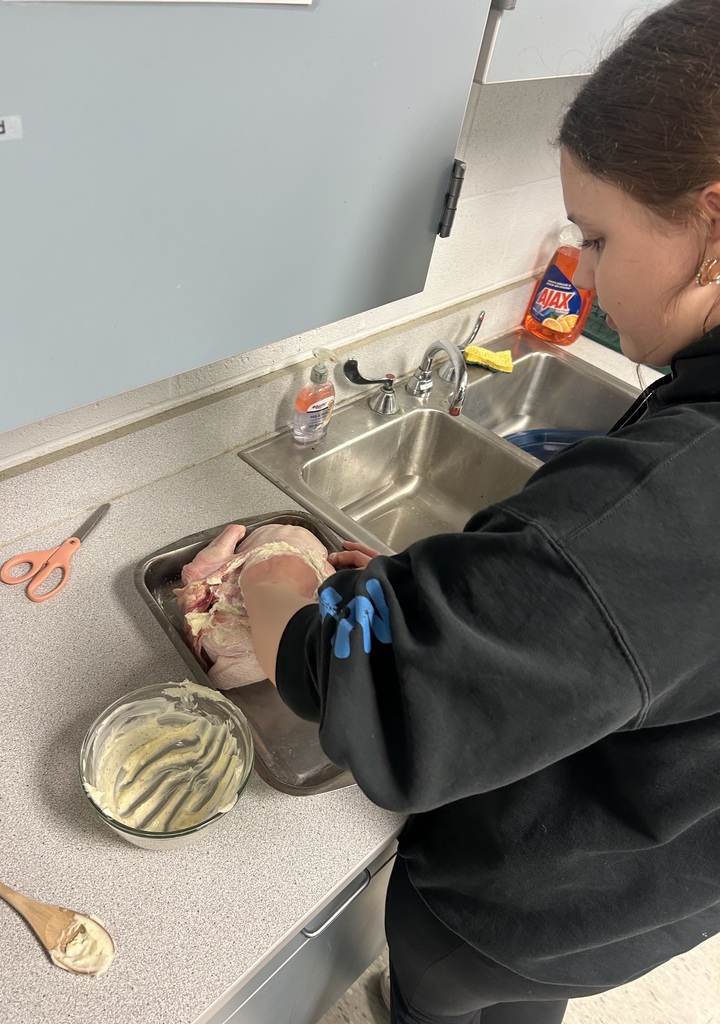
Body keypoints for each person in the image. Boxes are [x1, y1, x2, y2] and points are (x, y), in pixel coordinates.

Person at [240, 1, 720, 1020]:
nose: (582, 278)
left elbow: (374, 689)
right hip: (657, 879)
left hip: (522, 910)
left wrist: (274, 574)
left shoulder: (677, 495)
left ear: (713, 227)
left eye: (595, 238)